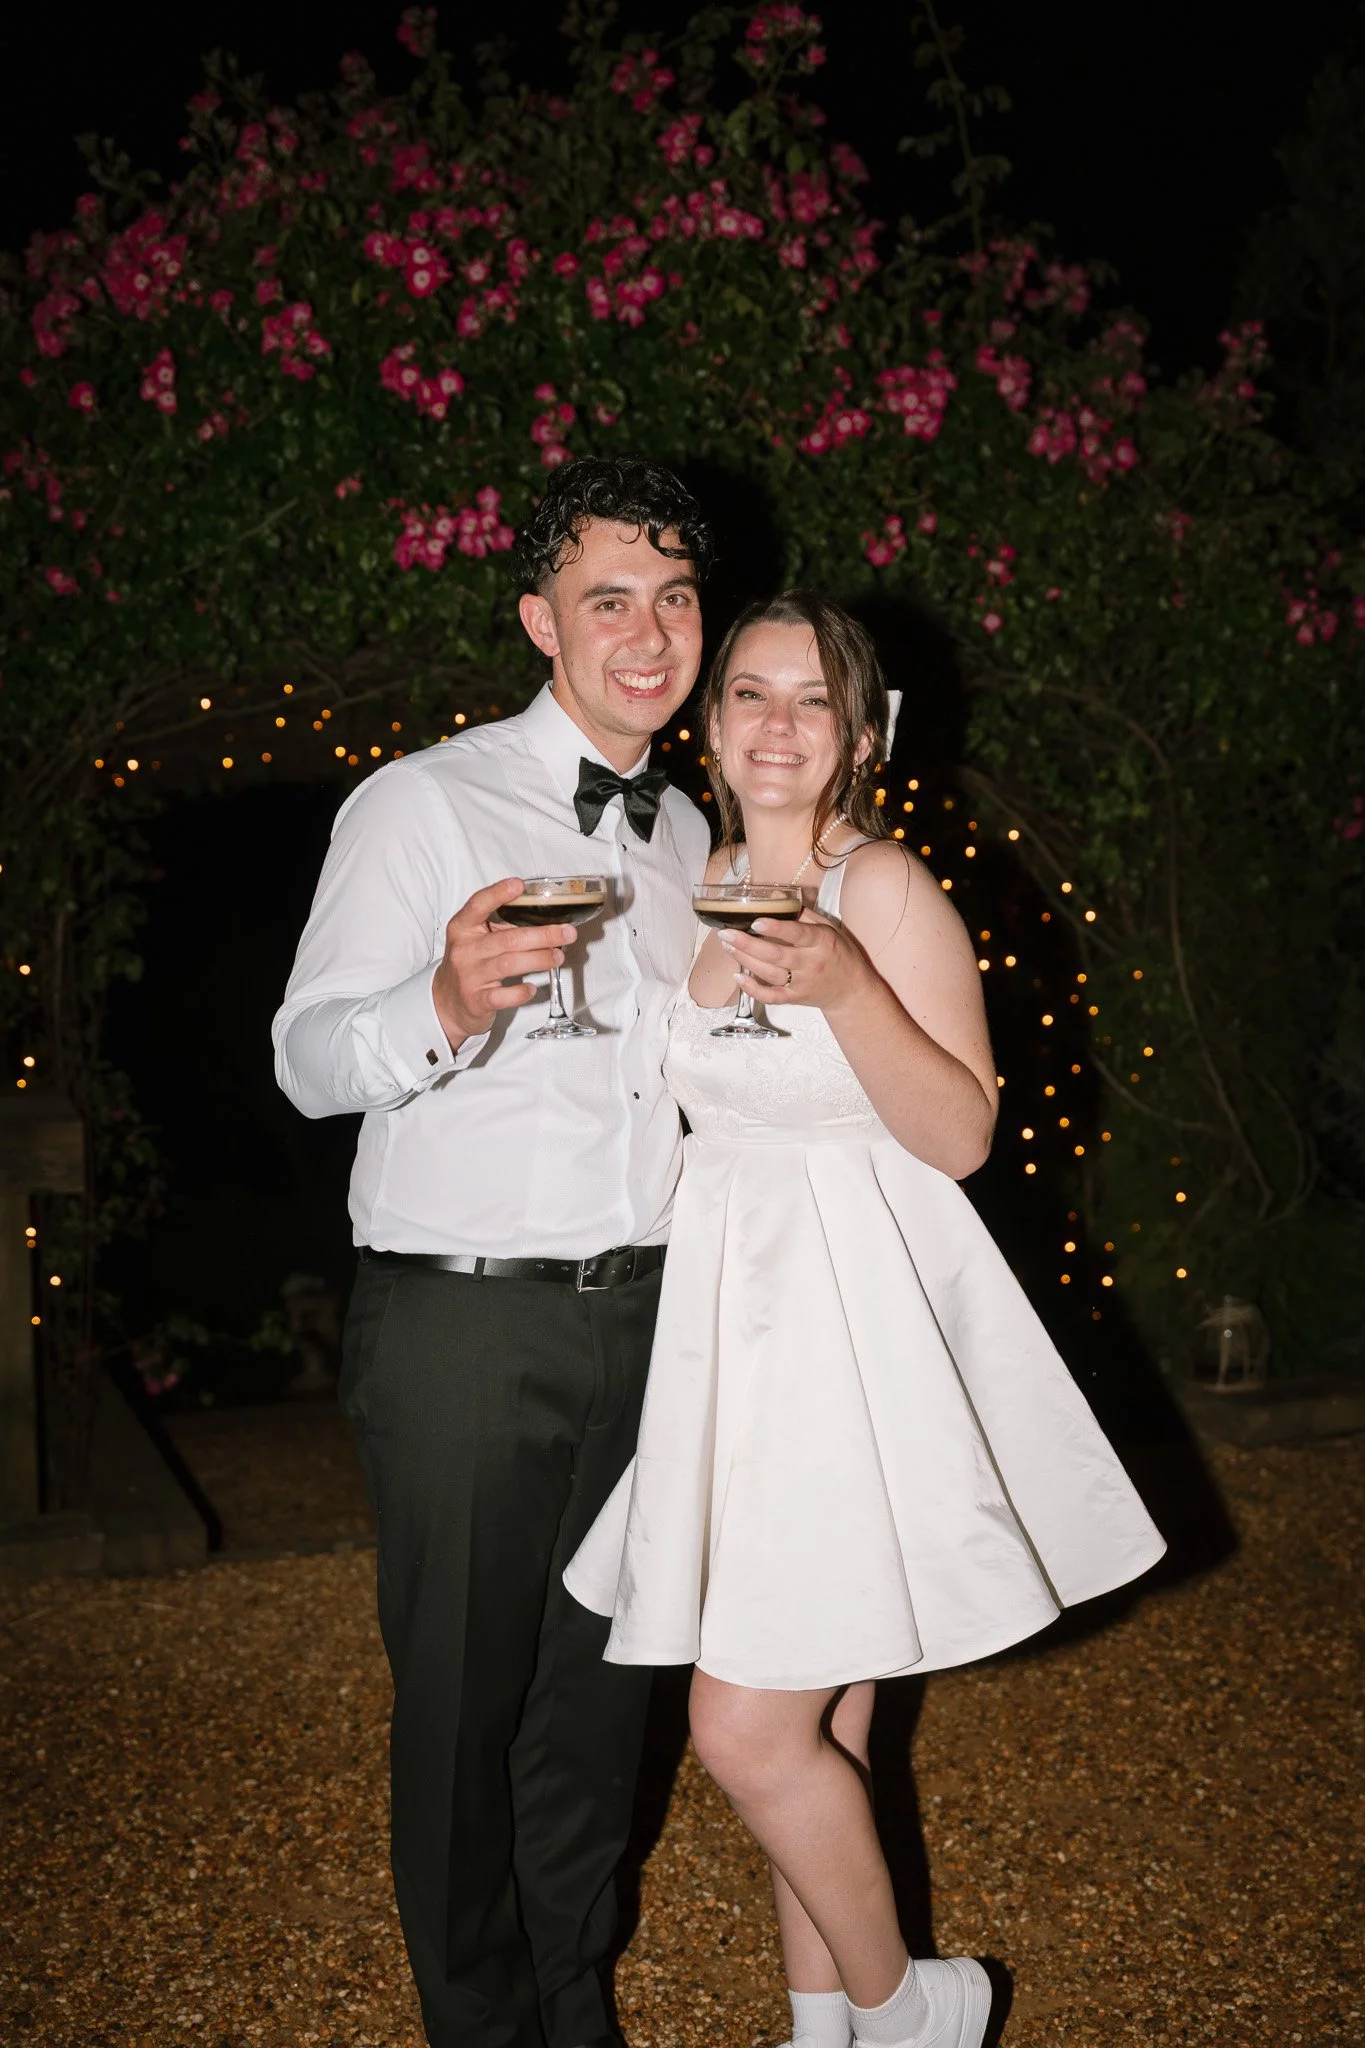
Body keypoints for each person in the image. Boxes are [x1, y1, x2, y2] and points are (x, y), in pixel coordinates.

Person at [565, 591, 1166, 2048]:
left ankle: (914, 2004)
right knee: (825, 1729)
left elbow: (962, 1132)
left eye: (812, 701)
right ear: (710, 725)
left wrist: (845, 988)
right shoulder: (693, 877)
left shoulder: (885, 887)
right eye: (752, 695)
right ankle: (822, 2031)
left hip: (851, 1328)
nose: (778, 725)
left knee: (742, 1726)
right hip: (736, 1328)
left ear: (858, 735)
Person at [272, 457, 713, 2048]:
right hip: (462, 1332)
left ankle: (573, 2002)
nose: (649, 631)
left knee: (601, 1713)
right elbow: (306, 1060)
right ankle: (483, 2026)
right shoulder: (421, 802)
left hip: (649, 1321)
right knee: (461, 1715)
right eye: (609, 598)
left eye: (673, 597)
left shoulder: (691, 842)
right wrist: (445, 1006)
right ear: (541, 620)